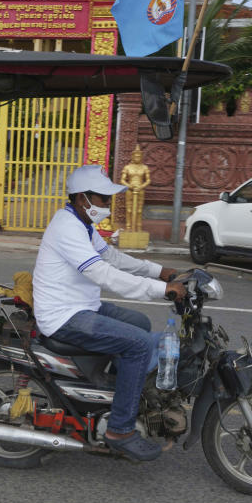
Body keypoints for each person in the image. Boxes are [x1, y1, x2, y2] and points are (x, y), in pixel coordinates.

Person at [32, 164, 185, 462]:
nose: (107, 205)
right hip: (65, 316)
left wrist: (160, 271)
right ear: (81, 199)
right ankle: (120, 429)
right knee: (139, 343)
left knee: (139, 322)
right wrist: (159, 289)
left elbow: (111, 257)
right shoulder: (67, 227)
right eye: (102, 199)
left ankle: (116, 391)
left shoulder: (82, 225)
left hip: (82, 305)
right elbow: (103, 274)